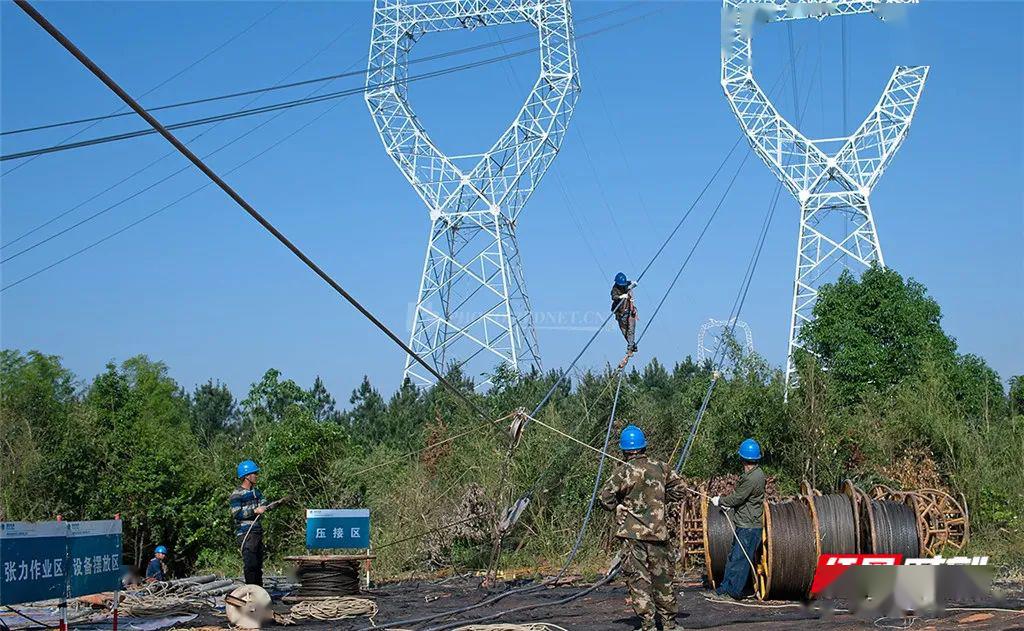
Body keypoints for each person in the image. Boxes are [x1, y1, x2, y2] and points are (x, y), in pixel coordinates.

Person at [599, 424, 686, 631]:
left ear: (624, 450)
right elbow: (681, 490)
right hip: (658, 532)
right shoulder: (661, 467)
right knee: (663, 579)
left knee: (639, 581)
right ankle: (669, 625)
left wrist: (618, 505)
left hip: (632, 535)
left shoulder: (623, 472)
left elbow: (604, 498)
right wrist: (661, 498)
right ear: (644, 446)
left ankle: (648, 626)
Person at [710, 438, 766, 601]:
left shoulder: (751, 478)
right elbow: (744, 499)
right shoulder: (757, 473)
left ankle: (732, 593)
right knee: (734, 558)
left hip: (749, 526)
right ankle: (724, 589)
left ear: (742, 458)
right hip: (746, 523)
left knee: (739, 561)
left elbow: (738, 498)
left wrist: (720, 501)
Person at [230, 460, 269, 586]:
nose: (256, 476)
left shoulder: (256, 492)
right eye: (254, 474)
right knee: (251, 565)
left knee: (258, 566)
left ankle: (260, 594)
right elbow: (236, 513)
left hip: (257, 532)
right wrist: (254, 510)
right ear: (247, 476)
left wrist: (264, 506)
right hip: (245, 533)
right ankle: (252, 594)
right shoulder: (236, 494)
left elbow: (264, 502)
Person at [611, 272, 638, 354]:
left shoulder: (625, 284)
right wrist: (620, 297)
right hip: (620, 313)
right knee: (624, 331)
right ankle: (632, 345)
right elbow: (613, 297)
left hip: (629, 311)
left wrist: (633, 283)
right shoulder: (614, 289)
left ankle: (630, 347)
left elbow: (629, 283)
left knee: (631, 329)